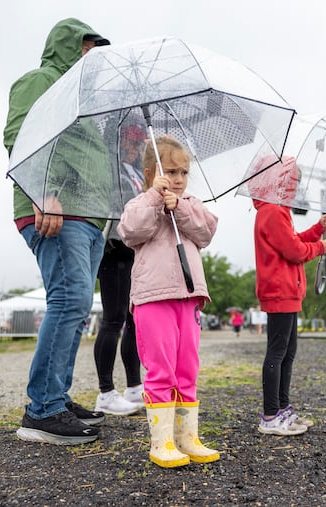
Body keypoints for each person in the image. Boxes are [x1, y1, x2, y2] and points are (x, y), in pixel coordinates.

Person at [3, 18, 111, 445]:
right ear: (72, 46)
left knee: (78, 305)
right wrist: (42, 189)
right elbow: (20, 134)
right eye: (89, 48)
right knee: (68, 300)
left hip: (88, 215)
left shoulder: (84, 99)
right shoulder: (41, 81)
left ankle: (57, 398)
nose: (94, 57)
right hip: (54, 209)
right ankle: (41, 410)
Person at [118, 136, 219, 468]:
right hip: (153, 298)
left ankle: (187, 437)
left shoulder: (190, 202)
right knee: (161, 368)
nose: (178, 179)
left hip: (188, 297)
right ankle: (162, 442)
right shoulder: (140, 203)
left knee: (187, 367)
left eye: (184, 172)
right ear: (151, 173)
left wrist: (183, 208)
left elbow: (206, 232)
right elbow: (131, 231)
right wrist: (155, 200)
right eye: (171, 171)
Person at [248, 154, 326, 436]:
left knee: (287, 352)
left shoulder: (278, 212)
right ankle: (271, 414)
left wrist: (318, 228)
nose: (294, 187)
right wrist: (320, 247)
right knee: (277, 353)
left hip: (287, 292)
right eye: (290, 180)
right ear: (276, 180)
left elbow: (294, 241)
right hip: (279, 291)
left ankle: (282, 409)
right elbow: (294, 251)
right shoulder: (272, 212)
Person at [93, 124, 147, 416]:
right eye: (130, 140)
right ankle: (105, 392)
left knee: (133, 320)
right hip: (113, 248)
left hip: (135, 251)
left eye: (139, 143)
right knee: (112, 320)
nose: (134, 147)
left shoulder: (139, 172)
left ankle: (134, 386)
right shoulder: (110, 168)